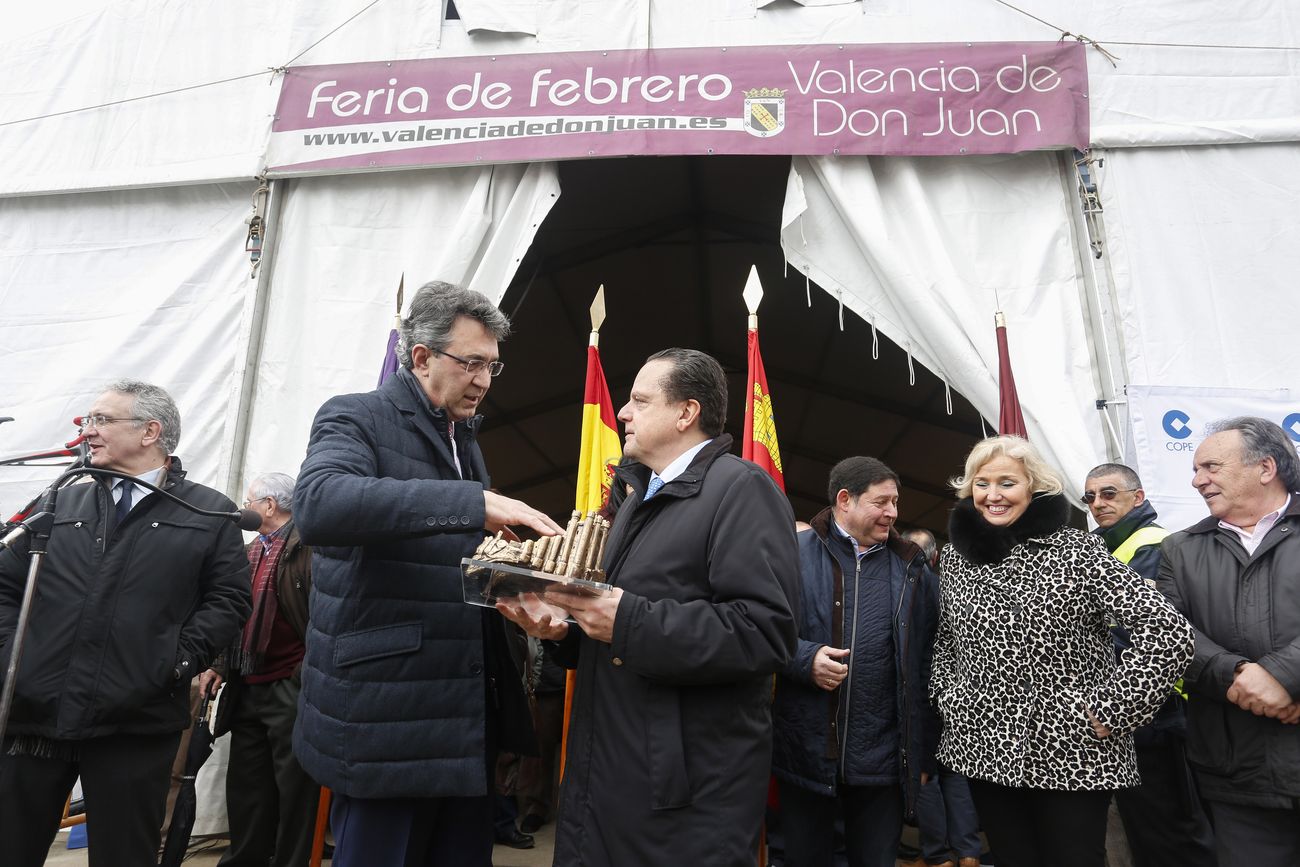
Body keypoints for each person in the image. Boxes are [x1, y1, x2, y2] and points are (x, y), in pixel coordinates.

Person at [292, 281, 562, 867]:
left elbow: (440, 560)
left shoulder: (465, 437)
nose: (485, 380)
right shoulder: (355, 416)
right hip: (387, 716)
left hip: (463, 713)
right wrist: (475, 503)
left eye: (493, 365)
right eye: (471, 363)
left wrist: (514, 582)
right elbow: (321, 506)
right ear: (420, 357)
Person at [499, 347, 800, 866]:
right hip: (606, 776)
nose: (622, 413)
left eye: (639, 400)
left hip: (683, 799)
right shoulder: (634, 496)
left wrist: (628, 620)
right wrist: (566, 633)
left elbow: (766, 632)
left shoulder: (741, 491)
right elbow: (617, 629)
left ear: (686, 412)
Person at [0, 379, 251, 867]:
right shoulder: (57, 502)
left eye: (100, 420)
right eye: (87, 421)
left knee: (125, 856)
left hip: (135, 721)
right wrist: (13, 653)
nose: (86, 432)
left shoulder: (209, 511)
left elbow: (229, 601)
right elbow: (5, 587)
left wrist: (174, 661)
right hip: (36, 715)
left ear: (149, 432)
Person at [931, 435, 1193, 867]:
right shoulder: (958, 558)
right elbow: (945, 640)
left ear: (1033, 487)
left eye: (1007, 483)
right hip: (984, 745)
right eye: (982, 483)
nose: (993, 496)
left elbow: (1168, 633)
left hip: (1072, 748)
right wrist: (950, 697)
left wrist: (1114, 709)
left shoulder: (1078, 550)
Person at [771, 457, 940, 867]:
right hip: (805, 755)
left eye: (896, 502)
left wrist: (921, 752)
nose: (893, 513)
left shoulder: (913, 569)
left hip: (883, 763)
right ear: (844, 500)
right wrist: (803, 659)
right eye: (882, 502)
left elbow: (928, 664)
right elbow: (757, 631)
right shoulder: (792, 555)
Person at [1157, 417, 1300, 867]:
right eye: (1196, 469)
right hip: (1236, 774)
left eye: (1211, 467)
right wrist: (1238, 674)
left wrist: (1282, 676)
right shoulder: (1180, 549)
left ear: (1265, 467)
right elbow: (1167, 635)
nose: (1198, 479)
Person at [1083, 463, 1216, 867]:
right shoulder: (1100, 546)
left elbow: (1136, 634)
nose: (1097, 504)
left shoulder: (1151, 545)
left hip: (1150, 711)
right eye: (1089, 497)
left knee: (1168, 832)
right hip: (1117, 710)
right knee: (1138, 829)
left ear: (1138, 497)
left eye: (1108, 493)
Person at [203, 472, 320, 867]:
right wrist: (220, 663)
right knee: (247, 784)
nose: (244, 508)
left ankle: (291, 861)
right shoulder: (251, 550)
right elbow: (234, 613)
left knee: (295, 789)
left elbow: (322, 618)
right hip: (248, 681)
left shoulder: (309, 547)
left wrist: (304, 674)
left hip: (290, 682)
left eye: (249, 501)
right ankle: (245, 859)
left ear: (269, 506)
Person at [900, 527, 981, 867]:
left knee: (925, 774)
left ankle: (935, 855)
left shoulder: (913, 588)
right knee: (954, 772)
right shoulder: (952, 588)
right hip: (957, 693)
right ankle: (968, 853)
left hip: (925, 692)